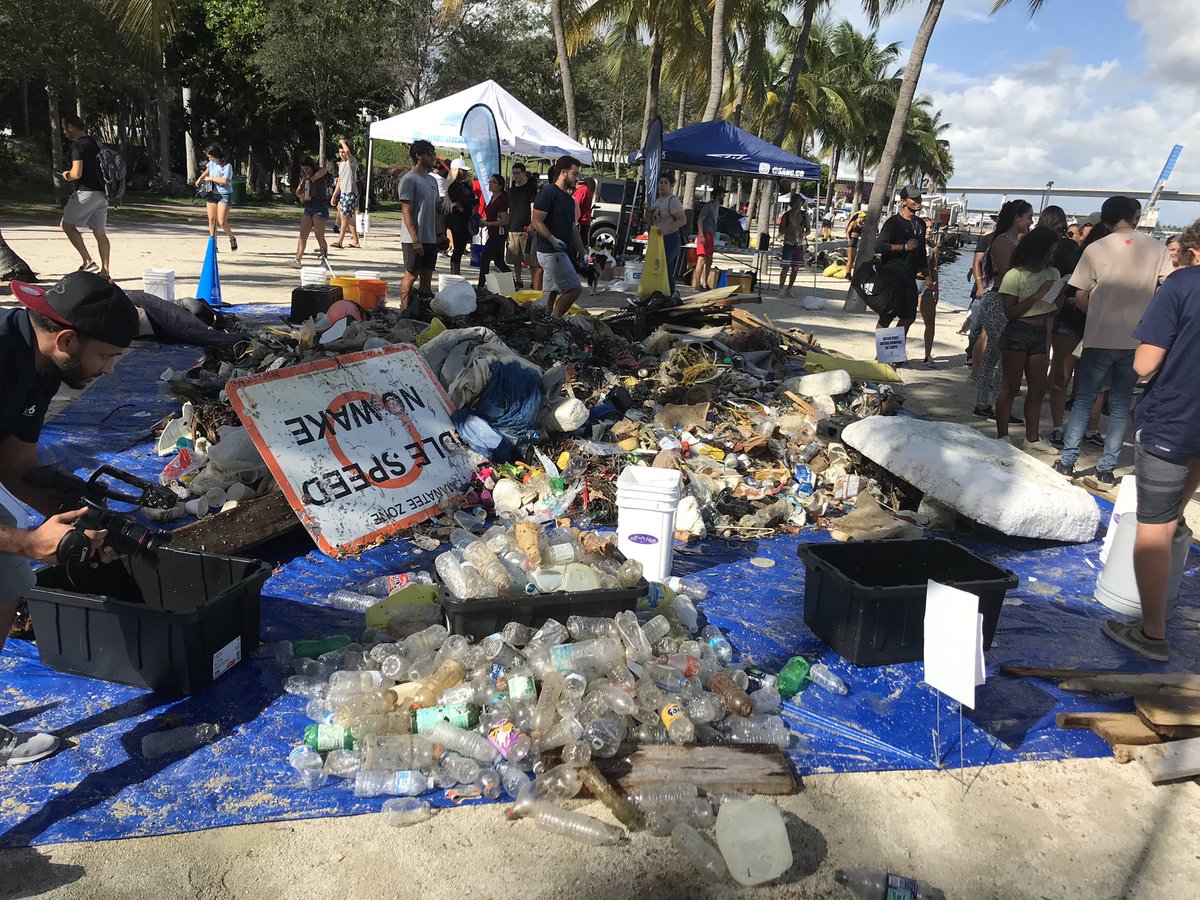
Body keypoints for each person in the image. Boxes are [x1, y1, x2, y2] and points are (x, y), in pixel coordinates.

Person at [0, 272, 139, 766]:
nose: (110, 372)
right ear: (67, 339)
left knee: (8, 576)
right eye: (106, 357)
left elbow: (16, 466)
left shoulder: (39, 365)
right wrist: (30, 542)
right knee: (16, 555)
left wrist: (80, 521)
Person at [1102, 219, 1200, 661]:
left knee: (1154, 528)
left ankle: (1152, 633)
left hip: (1175, 420)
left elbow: (1145, 363)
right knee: (1173, 515)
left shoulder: (1182, 287)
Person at [1055, 196, 1174, 486]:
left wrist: (1095, 310)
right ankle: (1107, 467)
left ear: (1106, 220)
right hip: (1137, 339)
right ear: (1135, 216)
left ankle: (1068, 460)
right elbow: (1167, 289)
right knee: (1120, 404)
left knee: (1084, 399)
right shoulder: (1157, 248)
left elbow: (1080, 293)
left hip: (1099, 334)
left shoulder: (1095, 248)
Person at [992, 226, 1062, 450]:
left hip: (1041, 331)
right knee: (1010, 386)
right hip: (1018, 330)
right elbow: (1010, 312)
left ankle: (1032, 438)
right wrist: (1038, 294)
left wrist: (1060, 294)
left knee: (1038, 388)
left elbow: (1054, 308)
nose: (1052, 257)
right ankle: (1003, 435)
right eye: (1049, 252)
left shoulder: (1053, 273)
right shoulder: (1015, 275)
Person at [973, 199, 1034, 418]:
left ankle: (984, 403)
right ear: (1017, 218)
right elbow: (1010, 274)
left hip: (1003, 300)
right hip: (998, 300)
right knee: (1002, 355)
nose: (1031, 221)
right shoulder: (1003, 241)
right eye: (1028, 217)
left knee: (992, 354)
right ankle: (999, 405)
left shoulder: (1013, 240)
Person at [873, 184, 932, 352]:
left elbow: (920, 253)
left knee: (909, 317)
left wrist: (927, 276)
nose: (918, 201)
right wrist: (904, 247)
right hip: (892, 276)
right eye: (914, 198)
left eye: (919, 198)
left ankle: (893, 352)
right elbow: (879, 247)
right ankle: (883, 355)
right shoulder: (893, 222)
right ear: (903, 202)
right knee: (887, 317)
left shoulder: (920, 224)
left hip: (909, 278)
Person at [532, 155, 586, 317]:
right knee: (574, 289)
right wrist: (552, 239)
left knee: (551, 293)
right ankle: (554, 322)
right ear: (563, 172)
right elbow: (536, 221)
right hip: (550, 252)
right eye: (575, 174)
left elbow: (572, 228)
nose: (578, 178)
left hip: (561, 253)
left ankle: (544, 322)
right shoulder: (548, 193)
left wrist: (582, 251)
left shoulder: (569, 199)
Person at [59, 115, 111, 277]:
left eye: (64, 127)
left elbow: (76, 173)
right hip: (104, 193)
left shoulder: (78, 146)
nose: (64, 131)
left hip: (86, 191)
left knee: (66, 225)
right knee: (100, 232)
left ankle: (87, 261)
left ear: (71, 127)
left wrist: (66, 175)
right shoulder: (96, 143)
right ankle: (105, 271)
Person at [397, 140, 440, 310]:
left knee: (427, 275)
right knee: (411, 274)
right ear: (419, 156)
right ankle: (405, 310)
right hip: (413, 238)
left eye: (433, 153)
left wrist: (440, 234)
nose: (433, 157)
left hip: (430, 237)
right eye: (429, 153)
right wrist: (415, 240)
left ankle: (422, 310)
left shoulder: (432, 181)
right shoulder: (409, 179)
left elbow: (435, 210)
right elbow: (406, 211)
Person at [647, 172, 686, 297]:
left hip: (671, 239)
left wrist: (667, 229)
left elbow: (682, 220)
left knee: (664, 266)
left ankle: (670, 293)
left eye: (665, 183)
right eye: (660, 183)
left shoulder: (673, 200)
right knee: (658, 267)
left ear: (671, 185)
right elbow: (650, 221)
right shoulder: (658, 201)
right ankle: (661, 293)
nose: (662, 185)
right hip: (658, 239)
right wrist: (647, 211)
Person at [194, 145, 237, 251]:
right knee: (211, 219)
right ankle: (214, 245)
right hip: (212, 193)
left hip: (224, 195)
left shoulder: (227, 166)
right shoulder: (212, 163)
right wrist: (200, 178)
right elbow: (207, 170)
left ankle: (232, 238)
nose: (209, 159)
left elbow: (225, 181)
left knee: (222, 221)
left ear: (217, 156)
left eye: (211, 157)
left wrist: (211, 179)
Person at [506, 163, 541, 291]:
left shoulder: (531, 189)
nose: (515, 176)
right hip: (513, 227)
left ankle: (534, 282)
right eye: (513, 173)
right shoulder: (511, 190)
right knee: (515, 258)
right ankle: (518, 281)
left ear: (524, 173)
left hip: (527, 229)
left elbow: (534, 208)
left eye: (517, 173)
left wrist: (533, 223)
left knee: (530, 260)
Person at [291, 157, 330, 267]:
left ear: (312, 166)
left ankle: (324, 260)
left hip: (319, 207)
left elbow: (323, 171)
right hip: (308, 207)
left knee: (319, 236)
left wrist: (311, 180)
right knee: (303, 234)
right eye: (304, 169)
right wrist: (301, 195)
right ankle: (298, 258)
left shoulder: (320, 172)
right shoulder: (305, 178)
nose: (306, 171)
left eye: (307, 168)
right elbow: (298, 191)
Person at [477, 174, 511, 290]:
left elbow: (505, 219)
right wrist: (486, 221)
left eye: (494, 182)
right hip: (493, 232)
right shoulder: (492, 198)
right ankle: (511, 283)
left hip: (498, 234)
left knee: (485, 258)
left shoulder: (502, 199)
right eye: (490, 182)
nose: (490, 184)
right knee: (499, 262)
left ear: (500, 185)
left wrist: (489, 224)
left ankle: (481, 285)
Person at [444, 160, 475, 276]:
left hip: (465, 218)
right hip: (457, 220)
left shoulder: (465, 185)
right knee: (458, 248)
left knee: (460, 248)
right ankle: (455, 274)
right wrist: (466, 202)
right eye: (463, 170)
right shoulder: (453, 186)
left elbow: (469, 200)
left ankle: (456, 273)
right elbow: (461, 200)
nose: (466, 172)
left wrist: (468, 202)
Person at [693, 186, 725, 289]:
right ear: (718, 194)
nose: (724, 195)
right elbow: (699, 220)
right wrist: (701, 235)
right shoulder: (708, 206)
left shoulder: (717, 206)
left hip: (711, 234)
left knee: (709, 260)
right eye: (723, 194)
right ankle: (697, 284)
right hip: (705, 233)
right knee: (701, 259)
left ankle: (704, 283)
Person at [918, 220, 941, 366]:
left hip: (927, 286)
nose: (929, 230)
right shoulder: (914, 243)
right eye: (926, 227)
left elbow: (934, 268)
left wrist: (937, 289)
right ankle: (898, 355)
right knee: (906, 319)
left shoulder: (933, 247)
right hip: (913, 281)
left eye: (931, 227)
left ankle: (927, 355)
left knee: (930, 320)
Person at [330, 139, 360, 249]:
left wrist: (342, 142)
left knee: (344, 216)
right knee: (346, 215)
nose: (342, 154)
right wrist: (334, 195)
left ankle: (340, 240)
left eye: (343, 151)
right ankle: (355, 240)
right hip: (344, 193)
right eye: (340, 152)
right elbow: (340, 180)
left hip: (351, 192)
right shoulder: (341, 164)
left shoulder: (351, 161)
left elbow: (348, 153)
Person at [777, 196, 807, 297]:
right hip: (788, 243)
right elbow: (781, 230)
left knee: (795, 268)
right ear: (792, 203)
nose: (798, 204)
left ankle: (789, 288)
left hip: (799, 244)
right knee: (785, 267)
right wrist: (789, 228)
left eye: (800, 202)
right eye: (796, 202)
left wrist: (804, 234)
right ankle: (781, 288)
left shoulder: (804, 215)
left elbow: (808, 230)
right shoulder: (786, 215)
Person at [574, 176, 595, 249]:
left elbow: (576, 204)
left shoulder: (582, 190)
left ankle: (578, 258)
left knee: (577, 243)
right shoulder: (588, 191)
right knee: (583, 242)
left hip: (581, 220)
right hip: (586, 219)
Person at [845, 210, 865, 280]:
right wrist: (848, 239)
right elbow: (848, 231)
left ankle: (850, 273)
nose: (864, 219)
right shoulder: (853, 223)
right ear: (860, 217)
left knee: (853, 259)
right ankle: (847, 274)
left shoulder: (860, 225)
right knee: (850, 259)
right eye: (863, 218)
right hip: (852, 240)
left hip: (856, 240)